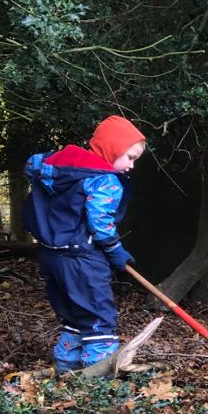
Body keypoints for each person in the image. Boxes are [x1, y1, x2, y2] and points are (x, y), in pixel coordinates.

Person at [24, 115, 147, 373]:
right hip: (83, 260)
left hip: (50, 258)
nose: (131, 166)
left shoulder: (57, 171)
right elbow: (100, 221)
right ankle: (98, 380)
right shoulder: (103, 178)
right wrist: (115, 250)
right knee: (98, 318)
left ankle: (65, 365)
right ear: (112, 147)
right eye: (130, 157)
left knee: (75, 316)